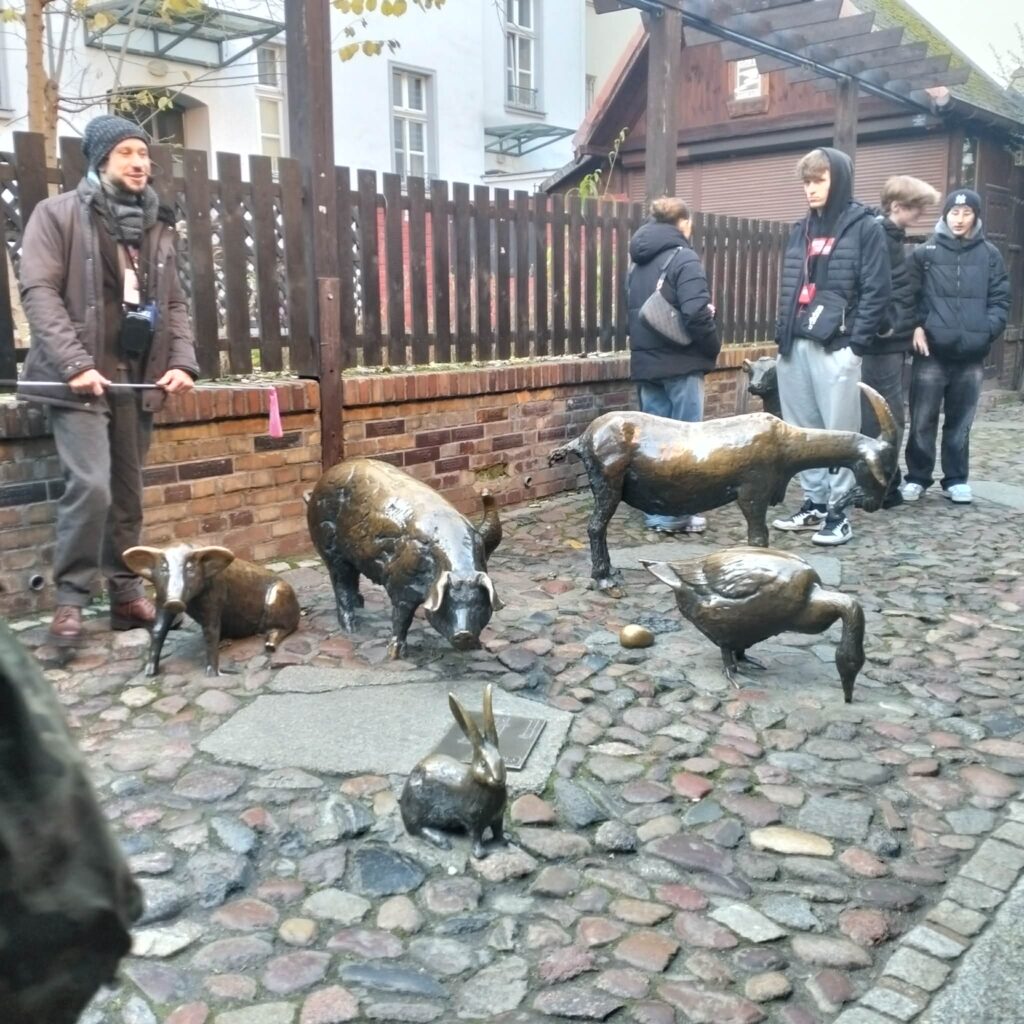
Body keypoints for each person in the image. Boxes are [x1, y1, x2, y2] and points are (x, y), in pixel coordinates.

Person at [18, 114, 199, 648]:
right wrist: (75, 364)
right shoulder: (56, 216)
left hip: (136, 378)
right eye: (126, 153)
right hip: (77, 379)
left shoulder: (157, 226)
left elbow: (172, 303)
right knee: (91, 486)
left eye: (143, 154)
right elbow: (39, 293)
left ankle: (124, 596)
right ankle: (71, 601)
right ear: (100, 160)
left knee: (128, 493)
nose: (140, 163)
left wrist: (183, 362)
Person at [771, 147, 890, 546]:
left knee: (839, 433)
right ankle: (815, 503)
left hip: (837, 347)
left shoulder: (865, 228)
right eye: (806, 181)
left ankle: (839, 513)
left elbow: (877, 291)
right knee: (804, 434)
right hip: (796, 344)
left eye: (818, 180)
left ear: (837, 179)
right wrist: (782, 336)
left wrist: (855, 346)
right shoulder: (799, 229)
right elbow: (789, 287)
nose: (811, 189)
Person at [901, 187, 1009, 505]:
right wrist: (915, 327)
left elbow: (1001, 299)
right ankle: (917, 477)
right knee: (922, 418)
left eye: (966, 213)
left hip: (971, 354)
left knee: (961, 421)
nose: (959, 219)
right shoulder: (926, 252)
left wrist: (986, 330)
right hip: (931, 351)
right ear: (945, 215)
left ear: (976, 216)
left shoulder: (990, 255)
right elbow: (909, 296)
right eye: (954, 213)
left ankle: (956, 478)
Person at [627, 195, 721, 533]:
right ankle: (679, 514)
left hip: (646, 365)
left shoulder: (637, 262)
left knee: (653, 444)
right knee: (685, 442)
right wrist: (712, 348)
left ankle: (657, 513)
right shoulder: (685, 258)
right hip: (681, 365)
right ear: (682, 222)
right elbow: (696, 313)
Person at [861, 175, 941, 508]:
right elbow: (874, 287)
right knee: (885, 416)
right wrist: (886, 326)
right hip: (883, 343)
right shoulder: (879, 235)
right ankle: (880, 486)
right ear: (897, 206)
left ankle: (881, 483)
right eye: (916, 209)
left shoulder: (889, 235)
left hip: (891, 342)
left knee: (883, 414)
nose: (920, 216)